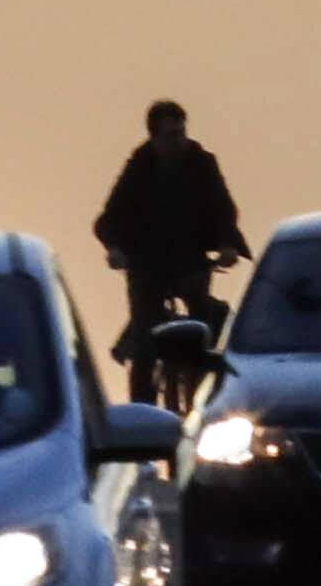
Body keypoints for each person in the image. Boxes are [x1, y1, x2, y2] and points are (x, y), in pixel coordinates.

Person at [95, 100, 249, 401]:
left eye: (181, 133)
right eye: (170, 136)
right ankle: (142, 412)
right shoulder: (139, 166)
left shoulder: (202, 163)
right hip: (147, 263)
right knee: (145, 339)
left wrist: (228, 245)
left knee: (204, 328)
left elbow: (222, 208)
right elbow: (109, 217)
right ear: (153, 137)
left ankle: (207, 399)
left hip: (190, 259)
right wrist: (114, 249)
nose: (178, 142)